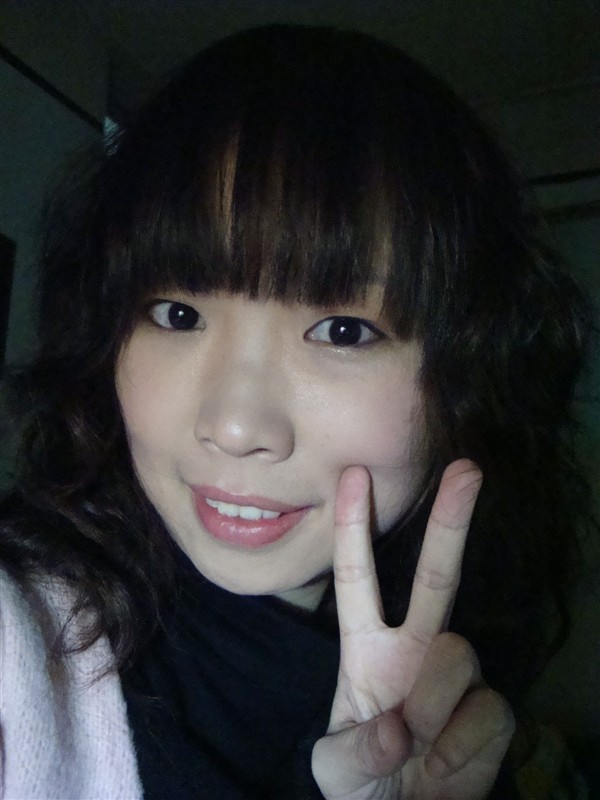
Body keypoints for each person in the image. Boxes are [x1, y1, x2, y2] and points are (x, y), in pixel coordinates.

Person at [0, 23, 595, 800]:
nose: (235, 427)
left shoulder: (452, 714)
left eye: (342, 331)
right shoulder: (19, 645)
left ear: (468, 378)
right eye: (178, 314)